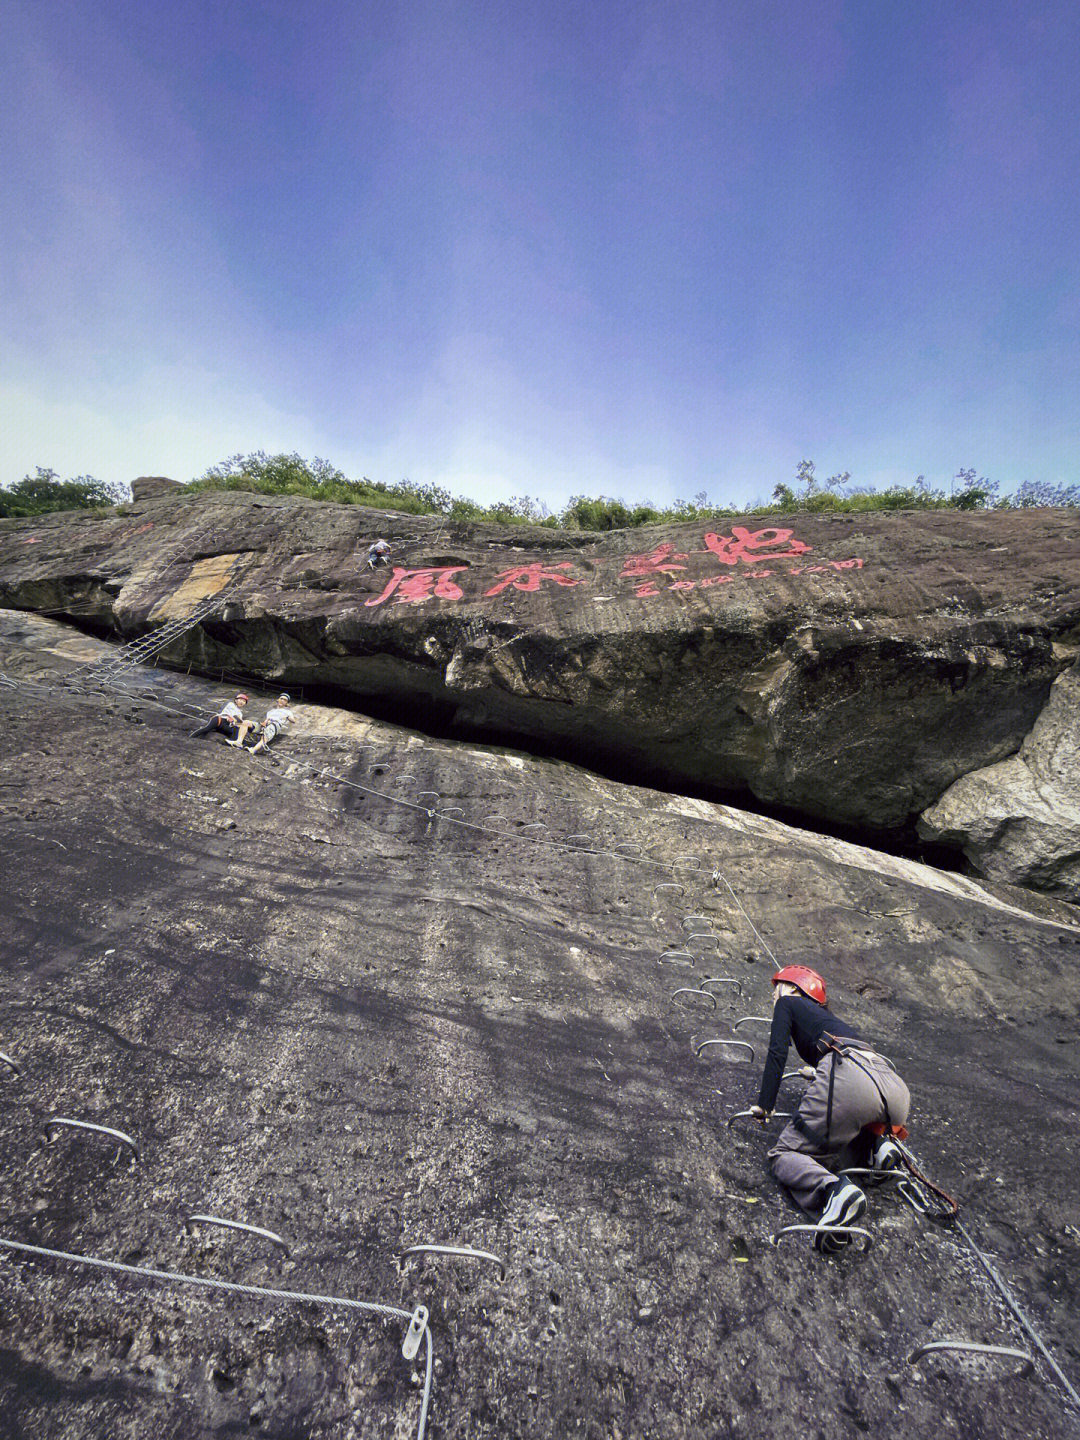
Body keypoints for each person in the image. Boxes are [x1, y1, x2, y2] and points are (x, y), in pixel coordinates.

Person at [750, 964, 910, 1252]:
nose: (774, 996)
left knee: (785, 1154)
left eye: (776, 989)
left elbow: (777, 1051)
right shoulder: (829, 1019)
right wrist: (818, 1072)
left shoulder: (787, 1002)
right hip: (893, 1087)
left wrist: (766, 1104)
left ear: (791, 988)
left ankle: (834, 1193)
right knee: (848, 1121)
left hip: (849, 1078)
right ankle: (877, 1149)